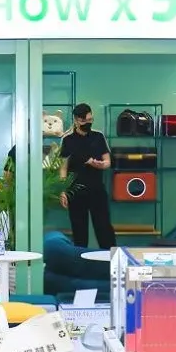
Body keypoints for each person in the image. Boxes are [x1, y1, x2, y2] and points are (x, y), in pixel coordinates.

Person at [58, 103, 116, 249]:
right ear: (76, 120)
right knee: (79, 232)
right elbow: (63, 168)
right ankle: (80, 261)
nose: (88, 123)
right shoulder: (67, 140)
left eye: (90, 120)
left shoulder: (98, 136)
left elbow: (107, 161)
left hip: (97, 189)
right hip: (75, 191)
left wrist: (100, 164)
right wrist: (62, 191)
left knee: (104, 228)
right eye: (84, 121)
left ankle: (112, 261)